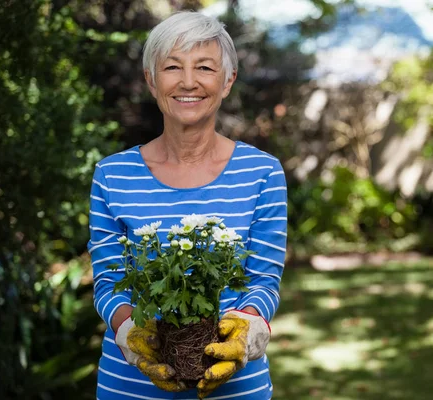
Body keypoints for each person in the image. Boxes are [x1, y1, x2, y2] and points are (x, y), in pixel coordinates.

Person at [88, 11, 287, 400]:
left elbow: (264, 279)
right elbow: (108, 283)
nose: (189, 82)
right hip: (131, 389)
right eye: (172, 67)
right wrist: (129, 331)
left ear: (227, 81)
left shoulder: (262, 172)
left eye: (205, 67)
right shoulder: (112, 175)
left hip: (235, 387)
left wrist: (248, 329)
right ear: (151, 79)